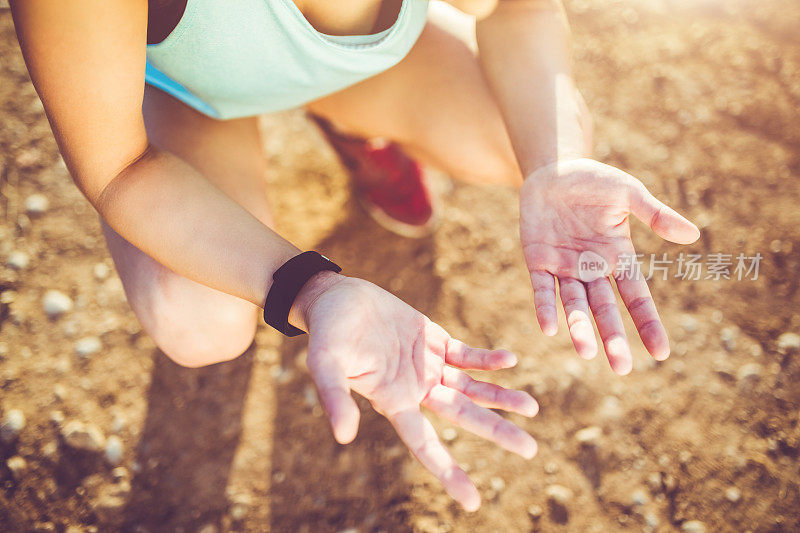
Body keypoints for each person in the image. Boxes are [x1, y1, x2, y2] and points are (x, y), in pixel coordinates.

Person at [9, 0, 700, 511]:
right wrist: (309, 288)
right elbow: (118, 168)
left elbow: (519, 11)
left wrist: (554, 162)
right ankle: (269, 138)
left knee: (515, 133)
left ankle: (345, 120)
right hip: (190, 95)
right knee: (199, 319)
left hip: (354, 67)